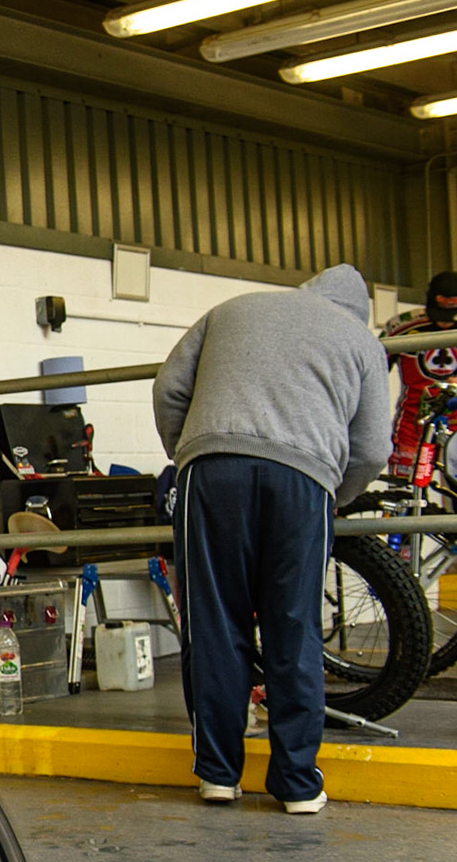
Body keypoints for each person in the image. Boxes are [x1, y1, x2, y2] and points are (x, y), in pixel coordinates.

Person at [153, 263, 389, 814]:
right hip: (304, 481)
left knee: (214, 625)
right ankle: (298, 784)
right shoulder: (360, 339)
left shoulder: (231, 310)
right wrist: (333, 490)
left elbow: (170, 390)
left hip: (212, 471)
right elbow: (374, 447)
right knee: (293, 628)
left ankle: (217, 774)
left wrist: (189, 452)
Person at [381, 269, 457, 478]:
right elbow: (371, 371)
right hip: (414, 424)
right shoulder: (401, 326)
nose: (445, 323)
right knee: (403, 494)